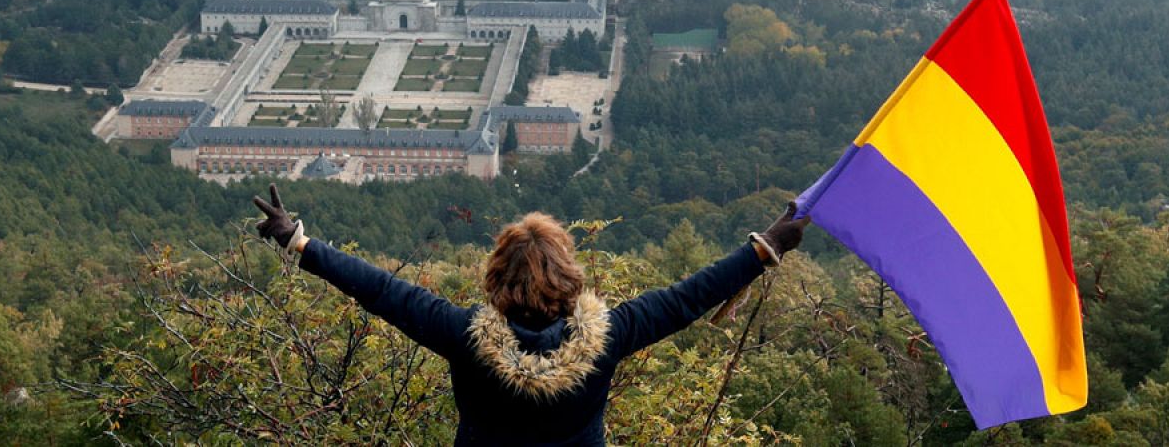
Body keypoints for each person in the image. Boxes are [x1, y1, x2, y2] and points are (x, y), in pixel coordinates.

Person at [252, 184, 806, 446]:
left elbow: (383, 291)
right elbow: (690, 296)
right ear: (569, 277)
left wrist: (300, 244)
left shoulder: (463, 336)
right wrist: (764, 248)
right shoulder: (608, 338)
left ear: (496, 277)